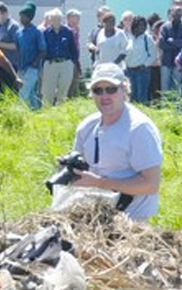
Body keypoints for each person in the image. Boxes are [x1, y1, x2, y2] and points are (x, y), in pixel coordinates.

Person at [68, 63, 164, 222]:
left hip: (131, 221)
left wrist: (100, 183)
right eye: (97, 90)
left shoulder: (139, 129)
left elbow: (151, 184)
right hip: (93, 215)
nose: (104, 96)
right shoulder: (87, 127)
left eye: (111, 89)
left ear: (124, 90)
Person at [41, 8, 78, 106]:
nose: (56, 21)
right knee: (48, 91)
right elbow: (43, 50)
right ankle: (47, 111)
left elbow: (73, 49)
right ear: (50, 20)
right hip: (51, 63)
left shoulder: (68, 32)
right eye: (53, 19)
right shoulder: (45, 33)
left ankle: (60, 111)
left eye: (58, 19)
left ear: (61, 20)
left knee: (63, 89)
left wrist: (74, 64)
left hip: (65, 63)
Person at [15, 2, 46, 110]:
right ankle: (36, 114)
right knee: (32, 94)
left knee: (23, 93)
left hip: (33, 68)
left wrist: (35, 62)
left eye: (23, 16)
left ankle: (19, 114)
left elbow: (42, 50)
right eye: (20, 16)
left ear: (29, 17)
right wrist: (19, 69)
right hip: (22, 68)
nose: (20, 18)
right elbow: (18, 50)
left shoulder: (37, 32)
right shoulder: (18, 32)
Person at [158, 6, 182, 100]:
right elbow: (161, 43)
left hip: (179, 63)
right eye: (174, 13)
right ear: (171, 14)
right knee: (165, 88)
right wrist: (177, 43)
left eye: (178, 14)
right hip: (166, 62)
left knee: (177, 88)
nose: (176, 16)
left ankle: (176, 109)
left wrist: (171, 41)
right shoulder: (165, 27)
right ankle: (165, 108)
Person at [123, 16, 155, 104]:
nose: (142, 28)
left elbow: (153, 55)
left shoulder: (147, 38)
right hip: (129, 71)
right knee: (131, 96)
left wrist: (144, 65)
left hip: (142, 71)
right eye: (139, 25)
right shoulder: (130, 39)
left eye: (143, 25)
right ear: (134, 26)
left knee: (141, 96)